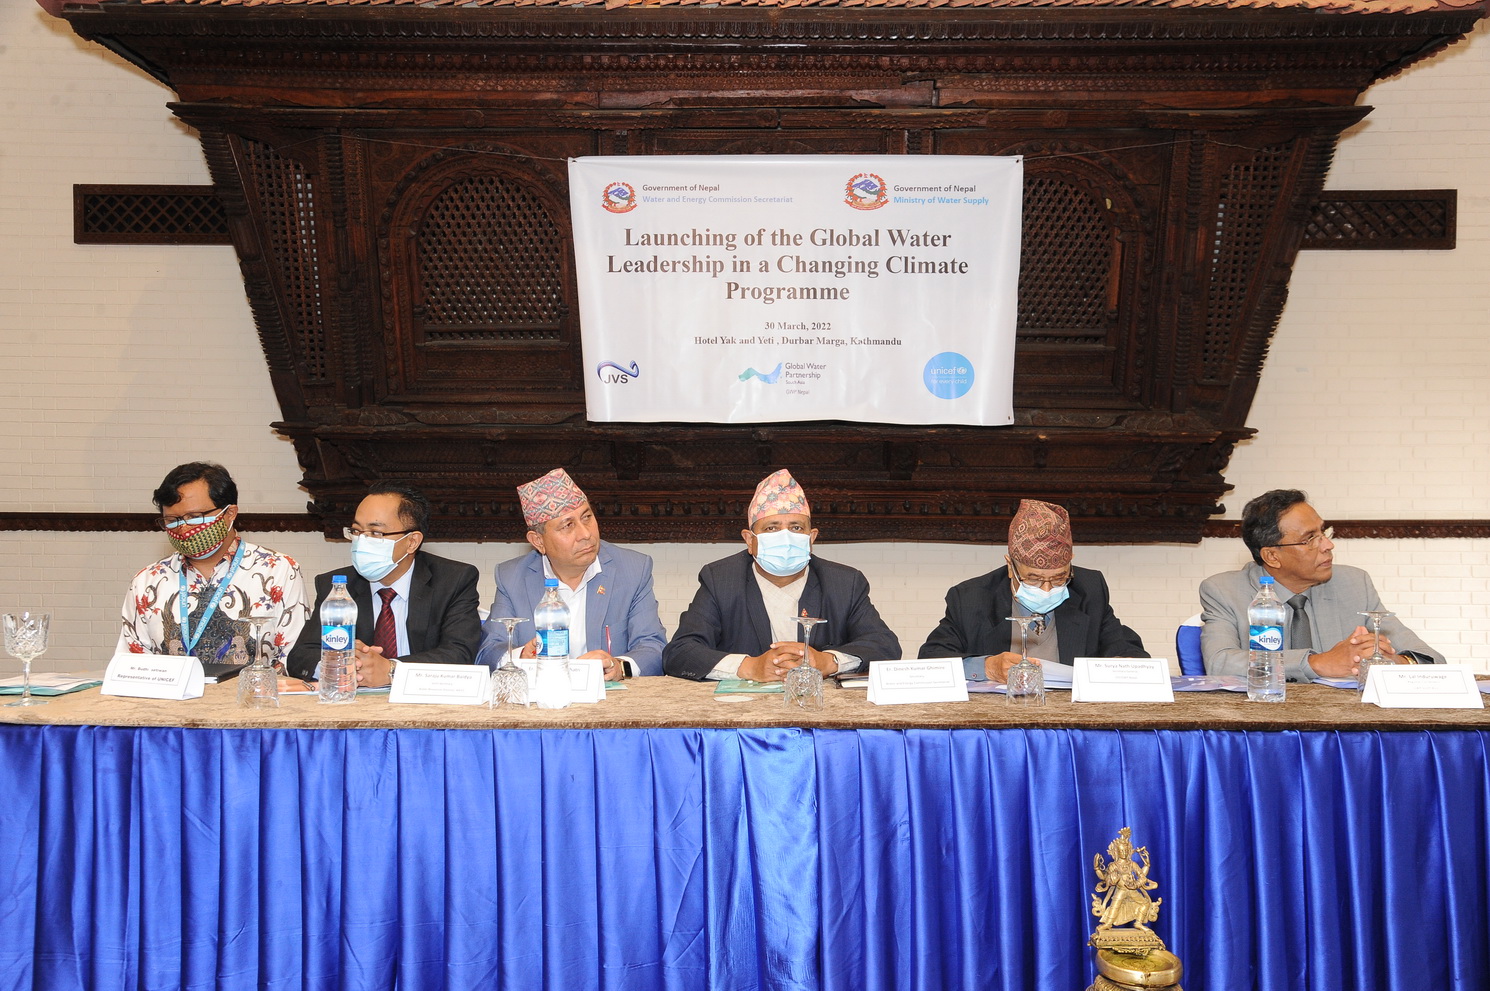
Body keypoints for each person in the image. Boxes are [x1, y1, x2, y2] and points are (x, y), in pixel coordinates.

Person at [663, 469, 901, 681]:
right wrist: (750, 667)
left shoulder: (845, 582)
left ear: (812, 538)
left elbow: (884, 646)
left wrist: (827, 662)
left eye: (796, 527)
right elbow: (680, 652)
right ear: (749, 540)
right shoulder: (720, 580)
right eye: (772, 528)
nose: (785, 537)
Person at [1200, 488, 1442, 680]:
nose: (1328, 545)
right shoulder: (1223, 591)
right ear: (1272, 556)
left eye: (1323, 532)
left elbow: (1431, 659)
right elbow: (1219, 663)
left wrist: (1394, 662)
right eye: (1310, 539)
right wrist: (1317, 663)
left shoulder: (1355, 584)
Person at [919, 498, 1147, 681]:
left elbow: (1127, 650)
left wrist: (1126, 669)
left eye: (1059, 578)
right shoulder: (971, 598)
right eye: (1034, 579)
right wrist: (986, 667)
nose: (1047, 589)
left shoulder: (1089, 589)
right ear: (1011, 567)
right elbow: (931, 661)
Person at [117, 462, 309, 672]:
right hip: (169, 701)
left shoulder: (278, 570)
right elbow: (132, 664)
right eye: (172, 520)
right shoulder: (147, 581)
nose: (182, 528)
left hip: (252, 700)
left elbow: (296, 656)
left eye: (193, 517)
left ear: (230, 514)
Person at [475, 469, 666, 679]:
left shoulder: (633, 569)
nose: (586, 534)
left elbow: (654, 647)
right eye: (568, 525)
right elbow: (487, 652)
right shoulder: (512, 577)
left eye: (587, 517)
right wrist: (521, 656)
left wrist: (619, 666)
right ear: (538, 541)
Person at [287, 482, 482, 685]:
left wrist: (391, 670)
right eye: (356, 531)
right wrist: (345, 665)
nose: (361, 541)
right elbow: (301, 656)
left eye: (375, 533)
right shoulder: (336, 586)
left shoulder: (453, 580)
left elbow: (460, 654)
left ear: (412, 541)